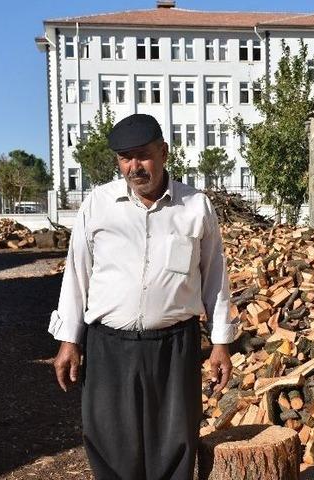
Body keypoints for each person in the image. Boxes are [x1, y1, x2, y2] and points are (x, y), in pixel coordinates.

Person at [48, 113, 237, 480]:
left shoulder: (195, 207)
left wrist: (221, 342)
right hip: (108, 348)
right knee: (111, 446)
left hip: (174, 347)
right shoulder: (98, 205)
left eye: (143, 155)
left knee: (174, 446)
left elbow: (215, 277)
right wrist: (69, 339)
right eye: (125, 158)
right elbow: (77, 275)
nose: (134, 166)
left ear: (164, 152)